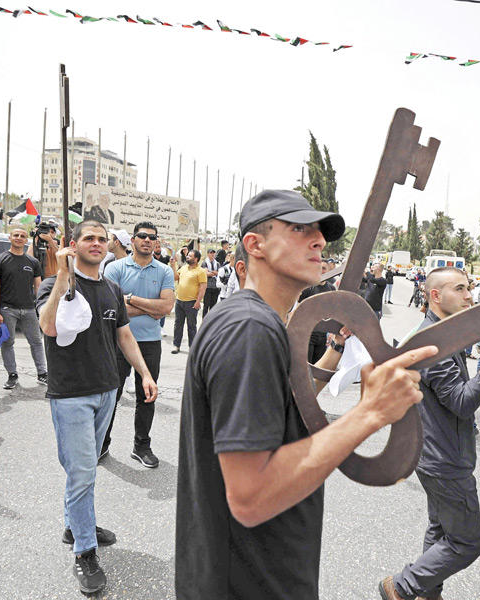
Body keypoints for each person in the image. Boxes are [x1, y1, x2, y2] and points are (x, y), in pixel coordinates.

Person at [175, 189, 436, 599]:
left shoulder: (257, 322)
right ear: (254, 244)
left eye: (319, 231)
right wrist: (369, 413)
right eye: (298, 229)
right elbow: (250, 496)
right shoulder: (249, 328)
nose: (318, 240)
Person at [36, 220, 158, 595]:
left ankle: (76, 525)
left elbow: (123, 333)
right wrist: (61, 275)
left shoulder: (112, 288)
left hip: (107, 391)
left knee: (83, 470)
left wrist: (145, 373)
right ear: (73, 245)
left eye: (102, 239)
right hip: (71, 394)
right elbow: (48, 327)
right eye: (88, 238)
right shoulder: (52, 284)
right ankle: (84, 552)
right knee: (83, 472)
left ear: (109, 247)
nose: (96, 243)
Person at [380, 266, 480, 600]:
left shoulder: (443, 333)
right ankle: (401, 587)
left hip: (434, 453)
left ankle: (428, 593)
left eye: (469, 287)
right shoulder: (433, 344)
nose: (469, 295)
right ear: (434, 295)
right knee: (468, 542)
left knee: (442, 529)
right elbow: (461, 402)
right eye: (459, 289)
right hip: (444, 459)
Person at [102, 222, 175, 466]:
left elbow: (165, 308)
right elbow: (109, 307)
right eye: (142, 236)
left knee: (147, 395)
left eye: (151, 237)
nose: (146, 240)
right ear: (132, 240)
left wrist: (130, 300)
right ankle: (101, 443)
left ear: (156, 242)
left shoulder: (164, 271)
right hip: (119, 342)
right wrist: (149, 308)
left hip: (150, 343)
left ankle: (141, 446)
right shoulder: (115, 268)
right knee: (112, 394)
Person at [0, 227, 47, 389]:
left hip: (29, 309)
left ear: (26, 240)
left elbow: (39, 288)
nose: (19, 238)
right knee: (7, 343)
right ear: (10, 238)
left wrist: (42, 309)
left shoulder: (33, 262)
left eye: (22, 236)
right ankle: (12, 375)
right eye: (16, 235)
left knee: (36, 342)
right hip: (7, 309)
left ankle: (42, 374)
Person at [298, 259, 336, 363]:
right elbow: (297, 307)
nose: (321, 271)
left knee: (318, 366)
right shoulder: (308, 287)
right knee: (307, 366)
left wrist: (332, 333)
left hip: (323, 335)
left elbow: (333, 312)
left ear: (328, 271)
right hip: (308, 334)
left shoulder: (332, 289)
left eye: (323, 268)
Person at [170, 249, 206, 354]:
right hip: (179, 301)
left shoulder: (200, 271)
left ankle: (192, 348)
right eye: (188, 255)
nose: (187, 257)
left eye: (190, 256)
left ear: (196, 259)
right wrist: (173, 266)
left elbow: (203, 287)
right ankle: (176, 345)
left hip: (192, 302)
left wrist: (198, 301)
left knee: (191, 326)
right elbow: (175, 277)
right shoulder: (184, 268)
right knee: (178, 325)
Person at [200, 248, 220, 317]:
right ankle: (204, 320)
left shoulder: (217, 263)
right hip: (207, 286)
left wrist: (211, 272)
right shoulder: (204, 262)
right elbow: (205, 273)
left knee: (213, 306)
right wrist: (213, 273)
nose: (212, 254)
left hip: (215, 286)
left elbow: (219, 273)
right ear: (208, 254)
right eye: (211, 253)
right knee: (206, 305)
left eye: (213, 253)